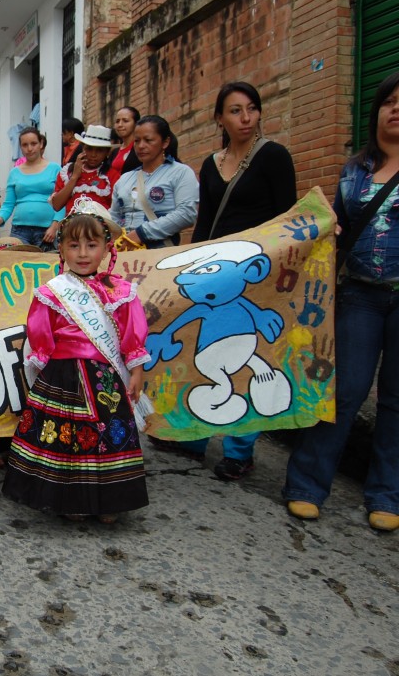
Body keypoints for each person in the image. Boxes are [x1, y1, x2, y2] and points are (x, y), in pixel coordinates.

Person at [282, 70, 399, 532]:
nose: (396, 109)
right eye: (389, 101)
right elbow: (338, 232)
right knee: (344, 391)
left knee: (396, 400)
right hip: (361, 296)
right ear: (376, 114)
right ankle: (307, 485)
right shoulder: (356, 172)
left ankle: (387, 494)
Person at [175, 82, 297, 479]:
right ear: (219, 118)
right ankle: (194, 436)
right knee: (202, 351)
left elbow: (286, 219)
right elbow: (206, 224)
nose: (245, 118)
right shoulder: (211, 163)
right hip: (214, 274)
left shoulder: (274, 157)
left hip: (255, 273)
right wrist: (187, 266)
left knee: (249, 358)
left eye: (252, 109)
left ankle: (239, 450)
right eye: (235, 111)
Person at [3, 201, 149, 523]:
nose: (83, 253)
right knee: (67, 438)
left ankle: (108, 500)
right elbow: (40, 334)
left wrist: (136, 370)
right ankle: (69, 497)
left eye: (91, 245)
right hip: (63, 374)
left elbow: (131, 333)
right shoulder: (52, 292)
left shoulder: (121, 291)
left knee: (107, 437)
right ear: (62, 250)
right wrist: (43, 370)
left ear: (106, 247)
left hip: (105, 378)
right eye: (74, 245)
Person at [109, 115, 199, 249]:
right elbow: (114, 217)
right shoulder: (125, 179)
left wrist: (140, 234)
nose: (141, 146)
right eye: (137, 141)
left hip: (160, 255)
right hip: (123, 255)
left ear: (165, 142)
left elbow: (186, 214)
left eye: (148, 140)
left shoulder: (180, 172)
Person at [0, 127, 62, 250]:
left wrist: (54, 226)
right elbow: (8, 204)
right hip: (19, 231)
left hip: (47, 232)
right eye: (25, 145)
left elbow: (61, 202)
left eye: (33, 143)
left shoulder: (55, 169)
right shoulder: (14, 173)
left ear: (41, 144)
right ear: (20, 147)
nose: (29, 148)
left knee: (47, 268)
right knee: (17, 267)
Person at [50, 124, 116, 215]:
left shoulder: (112, 175)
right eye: (89, 149)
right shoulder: (68, 171)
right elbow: (56, 205)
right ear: (83, 148)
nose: (93, 154)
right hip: (71, 227)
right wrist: (74, 177)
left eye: (99, 150)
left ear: (107, 152)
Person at [106, 106, 141, 184]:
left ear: (136, 123)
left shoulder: (140, 148)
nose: (120, 125)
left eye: (125, 121)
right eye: (117, 121)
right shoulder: (115, 151)